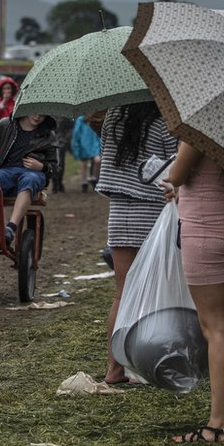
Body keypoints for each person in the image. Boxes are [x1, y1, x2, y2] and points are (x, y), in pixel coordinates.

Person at [163, 141, 224, 442]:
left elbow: (174, 177)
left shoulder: (198, 129)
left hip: (206, 228)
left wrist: (168, 181)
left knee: (215, 329)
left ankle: (217, 425)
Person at [94, 102, 177, 385]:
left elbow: (108, 155)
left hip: (119, 212)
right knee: (155, 294)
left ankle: (114, 369)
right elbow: (173, 167)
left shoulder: (113, 115)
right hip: (152, 213)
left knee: (122, 294)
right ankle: (152, 364)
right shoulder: (164, 121)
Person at [0, 112, 58, 245]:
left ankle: (10, 228)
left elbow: (55, 167)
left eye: (42, 115)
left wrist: (42, 167)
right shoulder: (5, 125)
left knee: (29, 179)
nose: (37, 117)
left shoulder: (48, 134)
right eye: (35, 112)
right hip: (6, 171)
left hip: (32, 173)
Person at [71, 115, 101, 192]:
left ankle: (94, 178)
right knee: (84, 164)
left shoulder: (96, 117)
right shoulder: (80, 119)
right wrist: (76, 145)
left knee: (97, 160)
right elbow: (76, 133)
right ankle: (84, 183)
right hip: (83, 144)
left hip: (95, 143)